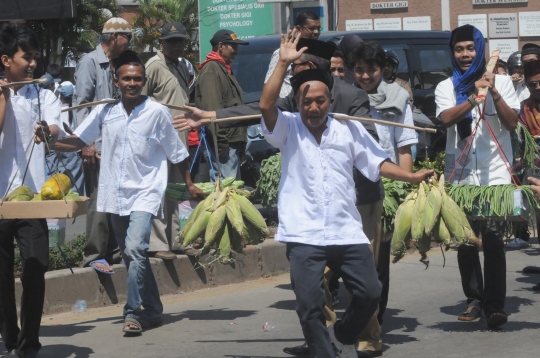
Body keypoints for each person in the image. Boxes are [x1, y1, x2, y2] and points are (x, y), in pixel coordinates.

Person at [259, 30, 434, 358]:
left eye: (320, 101)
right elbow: (266, 103)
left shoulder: (348, 128)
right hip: (305, 233)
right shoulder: (287, 129)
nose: (313, 107)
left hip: (345, 230)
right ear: (297, 102)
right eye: (306, 101)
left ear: (330, 100)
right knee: (309, 305)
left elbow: (377, 162)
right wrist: (283, 63)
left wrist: (410, 176)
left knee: (370, 293)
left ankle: (340, 334)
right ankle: (324, 351)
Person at [47, 51, 204, 336]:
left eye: (137, 79)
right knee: (133, 256)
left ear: (144, 81)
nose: (132, 83)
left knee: (134, 249)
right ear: (116, 81)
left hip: (145, 191)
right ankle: (154, 310)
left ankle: (132, 313)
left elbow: (177, 152)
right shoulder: (106, 112)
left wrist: (190, 183)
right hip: (114, 194)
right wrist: (49, 139)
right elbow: (77, 140)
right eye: (127, 79)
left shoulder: (157, 112)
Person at [435, 24, 520, 327]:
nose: (465, 55)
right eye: (459, 49)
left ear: (481, 49)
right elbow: (446, 119)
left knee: (494, 240)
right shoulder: (446, 87)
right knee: (466, 241)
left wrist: (493, 91)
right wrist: (473, 97)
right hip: (461, 175)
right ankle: (474, 299)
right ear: (452, 52)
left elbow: (511, 124)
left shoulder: (504, 83)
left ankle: (495, 304)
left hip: (494, 174)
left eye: (471, 48)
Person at [0, 23, 63, 358]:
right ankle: (9, 336)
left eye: (36, 57)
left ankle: (30, 341)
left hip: (32, 197)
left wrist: (47, 130)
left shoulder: (44, 94)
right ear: (6, 59)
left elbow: (55, 124)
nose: (33, 64)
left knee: (36, 265)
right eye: (27, 57)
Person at [73, 17, 132, 274]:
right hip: (95, 145)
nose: (129, 41)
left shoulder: (114, 64)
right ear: (114, 37)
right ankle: (94, 255)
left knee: (115, 199)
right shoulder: (90, 62)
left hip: (114, 144)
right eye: (127, 36)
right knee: (98, 200)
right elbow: (81, 104)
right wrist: (85, 143)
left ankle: (114, 251)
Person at [143, 22, 191, 260]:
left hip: (180, 138)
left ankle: (179, 240)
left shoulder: (182, 66)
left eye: (181, 40)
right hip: (159, 140)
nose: (178, 45)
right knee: (159, 190)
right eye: (172, 41)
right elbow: (140, 101)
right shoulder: (153, 66)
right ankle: (157, 243)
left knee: (178, 191)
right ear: (161, 43)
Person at [195, 29, 249, 180]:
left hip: (232, 143)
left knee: (231, 193)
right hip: (224, 145)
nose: (237, 51)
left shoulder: (224, 69)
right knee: (226, 193)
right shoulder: (211, 69)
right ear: (221, 46)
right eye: (233, 47)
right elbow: (213, 109)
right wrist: (220, 141)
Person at [265, 10, 321, 98]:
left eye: (318, 28)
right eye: (312, 28)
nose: (317, 32)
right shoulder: (282, 54)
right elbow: (269, 85)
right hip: (286, 107)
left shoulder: (319, 53)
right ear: (298, 29)